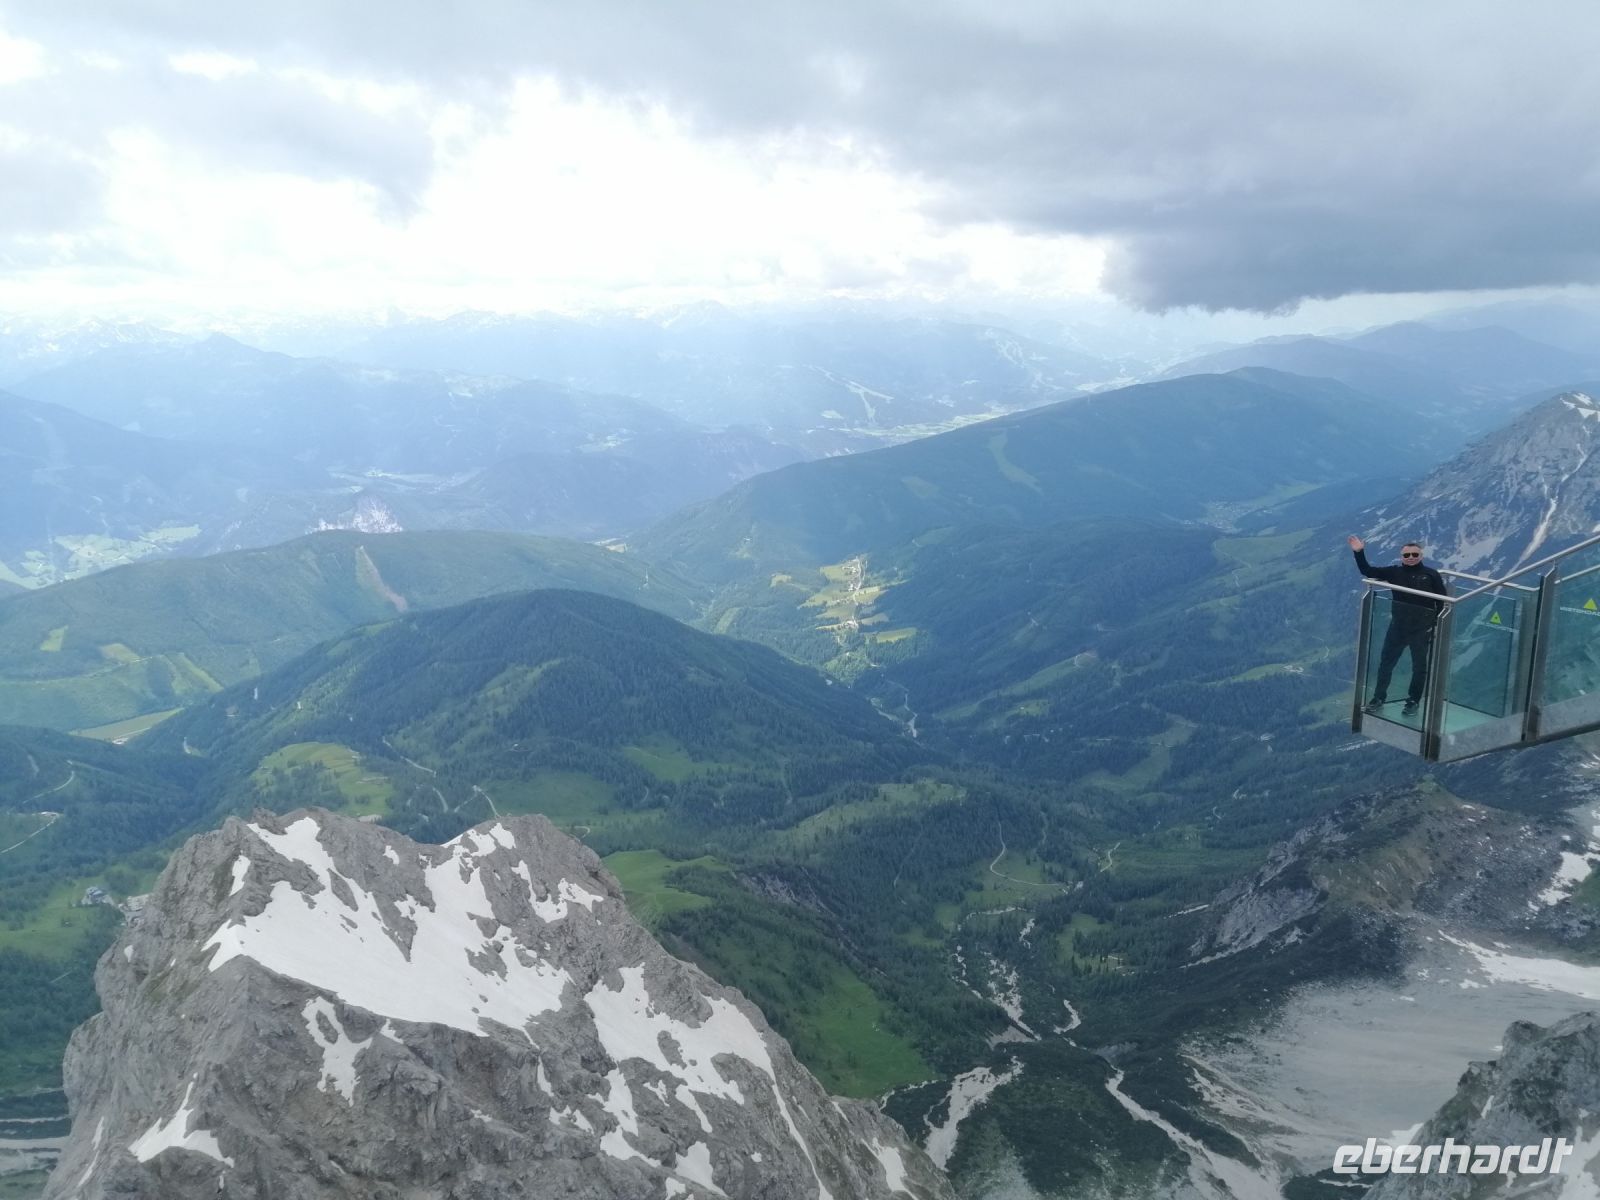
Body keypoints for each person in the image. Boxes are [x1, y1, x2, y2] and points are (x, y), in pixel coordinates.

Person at [1348, 535, 1449, 716]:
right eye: (1407, 555)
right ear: (1401, 557)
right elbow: (1367, 571)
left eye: (1414, 555)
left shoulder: (1431, 574)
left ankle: (1413, 701)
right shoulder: (1394, 572)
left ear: (1421, 556)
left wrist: (1434, 625)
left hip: (1421, 629)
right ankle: (1378, 698)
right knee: (1386, 663)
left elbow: (1442, 601)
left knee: (1419, 667)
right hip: (1398, 627)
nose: (1410, 558)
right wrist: (1359, 552)